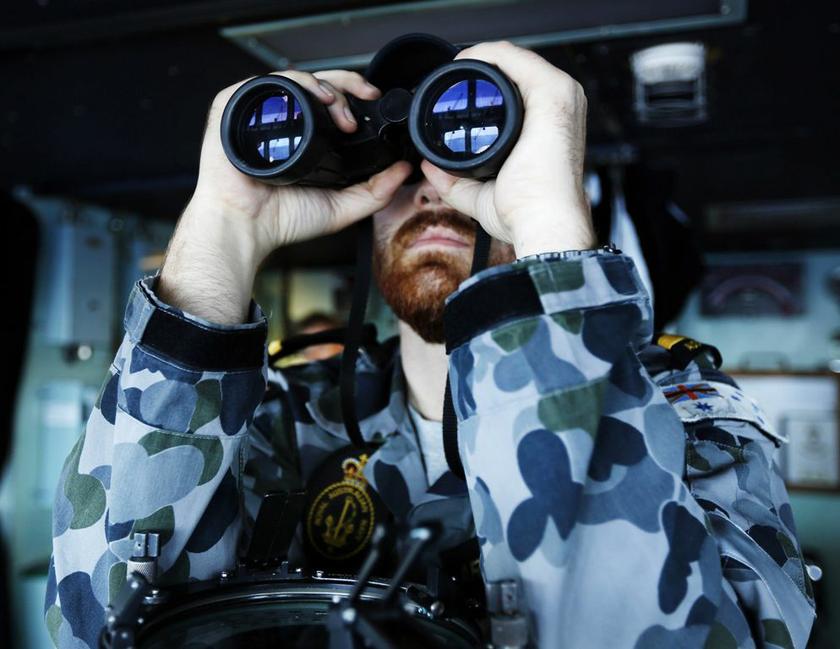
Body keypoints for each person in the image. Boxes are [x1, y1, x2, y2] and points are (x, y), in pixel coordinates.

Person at [45, 41, 815, 648]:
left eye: (465, 147)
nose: (429, 184)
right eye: (398, 159)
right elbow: (97, 624)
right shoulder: (281, 422)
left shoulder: (692, 425)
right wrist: (220, 228)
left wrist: (551, 220)